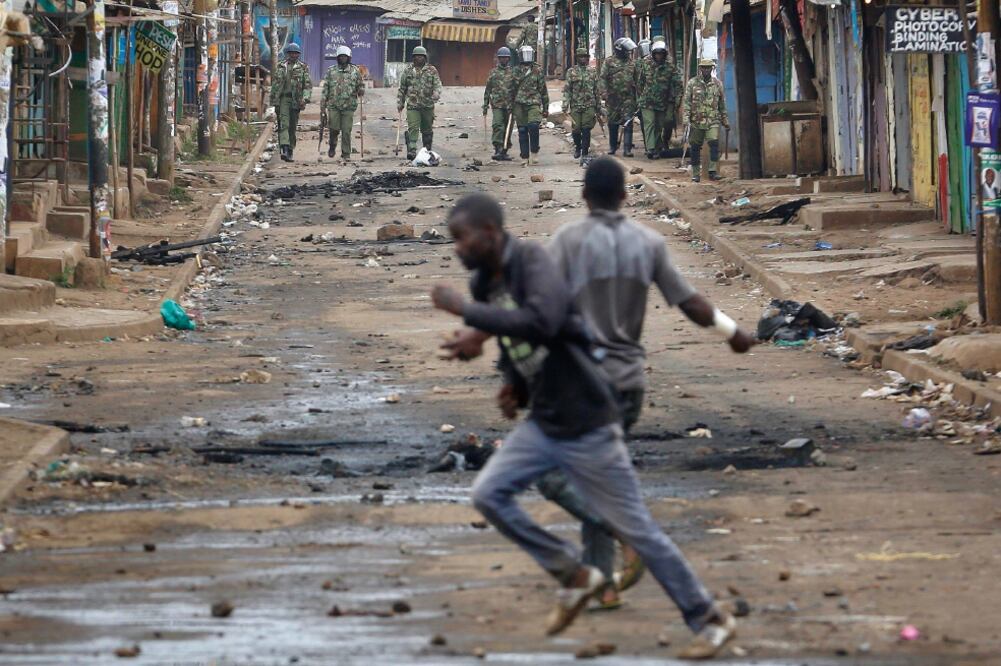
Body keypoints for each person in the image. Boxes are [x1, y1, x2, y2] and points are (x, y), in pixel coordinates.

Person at [431, 190, 744, 659]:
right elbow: (514, 338)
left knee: (637, 530)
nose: (456, 247)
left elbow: (544, 320)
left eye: (462, 237)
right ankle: (575, 575)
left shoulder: (533, 261)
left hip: (588, 419)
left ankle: (709, 619)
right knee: (488, 494)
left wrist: (466, 313)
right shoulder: (482, 281)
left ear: (491, 233)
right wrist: (513, 380)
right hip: (544, 420)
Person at [683, 59, 728, 182]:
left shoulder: (717, 84)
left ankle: (712, 171)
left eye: (708, 68)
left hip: (712, 120)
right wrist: (686, 119)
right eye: (704, 68)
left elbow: (722, 104)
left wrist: (725, 120)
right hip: (696, 121)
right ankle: (696, 173)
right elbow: (687, 102)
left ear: (712, 69)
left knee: (714, 144)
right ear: (700, 69)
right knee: (695, 147)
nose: (706, 70)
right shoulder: (692, 83)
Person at [637, 41, 682, 160]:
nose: (658, 56)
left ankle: (657, 148)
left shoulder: (670, 67)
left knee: (659, 126)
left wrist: (676, 101)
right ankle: (650, 148)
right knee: (649, 123)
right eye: (656, 54)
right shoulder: (645, 64)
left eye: (661, 54)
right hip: (647, 101)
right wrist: (642, 95)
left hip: (662, 102)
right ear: (653, 54)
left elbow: (678, 84)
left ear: (664, 54)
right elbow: (640, 82)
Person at [320, 45, 365, 161]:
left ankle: (346, 154)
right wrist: (323, 104)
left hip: (349, 106)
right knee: (334, 128)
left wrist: (361, 91)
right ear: (337, 58)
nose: (343, 59)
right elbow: (326, 88)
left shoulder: (355, 71)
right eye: (341, 57)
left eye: (345, 57)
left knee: (346, 131)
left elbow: (361, 85)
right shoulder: (331, 71)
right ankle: (332, 145)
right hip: (333, 105)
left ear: (349, 58)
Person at [397, 46, 442, 161]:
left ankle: (427, 151)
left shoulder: (432, 70)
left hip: (427, 105)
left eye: (421, 56)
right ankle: (412, 150)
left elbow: (437, 84)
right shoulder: (408, 71)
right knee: (413, 127)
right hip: (413, 105)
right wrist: (400, 102)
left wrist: (436, 93)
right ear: (413, 57)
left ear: (425, 57)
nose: (419, 58)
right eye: (417, 56)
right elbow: (402, 88)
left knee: (427, 130)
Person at [270, 43, 311, 162]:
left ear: (298, 55)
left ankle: (290, 149)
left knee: (292, 127)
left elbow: (307, 85)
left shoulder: (303, 67)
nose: (293, 55)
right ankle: (284, 148)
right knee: (284, 124)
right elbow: (275, 84)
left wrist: (305, 98)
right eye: (291, 53)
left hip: (296, 100)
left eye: (295, 53)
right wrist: (273, 100)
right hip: (283, 99)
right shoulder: (280, 66)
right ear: (287, 54)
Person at [600, 38, 638, 157]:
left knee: (628, 122)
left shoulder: (632, 63)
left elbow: (637, 80)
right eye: (626, 50)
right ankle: (612, 147)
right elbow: (602, 78)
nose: (628, 53)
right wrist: (604, 93)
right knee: (612, 123)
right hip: (613, 98)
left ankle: (627, 149)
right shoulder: (609, 62)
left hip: (628, 98)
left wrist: (637, 97)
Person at [563, 47, 602, 163]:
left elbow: (596, 90)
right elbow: (567, 89)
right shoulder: (571, 72)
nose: (583, 59)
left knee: (586, 129)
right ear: (577, 58)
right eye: (581, 56)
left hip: (589, 105)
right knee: (576, 129)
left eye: (585, 56)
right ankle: (578, 147)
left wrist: (599, 107)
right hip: (575, 105)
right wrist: (565, 104)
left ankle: (585, 152)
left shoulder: (592, 72)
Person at [511, 45, 548, 164]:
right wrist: (509, 106)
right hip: (519, 104)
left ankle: (534, 151)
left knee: (533, 126)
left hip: (533, 102)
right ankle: (524, 156)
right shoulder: (515, 70)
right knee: (522, 130)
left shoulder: (538, 70)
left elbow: (543, 90)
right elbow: (511, 89)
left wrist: (546, 107)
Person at [483, 47, 517, 161]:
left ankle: (505, 150)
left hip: (510, 106)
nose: (503, 60)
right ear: (498, 59)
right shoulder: (493, 73)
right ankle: (497, 149)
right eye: (501, 58)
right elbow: (488, 90)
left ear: (509, 59)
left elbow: (517, 90)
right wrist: (485, 104)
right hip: (497, 104)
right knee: (498, 125)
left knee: (508, 127)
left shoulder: (513, 73)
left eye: (506, 58)